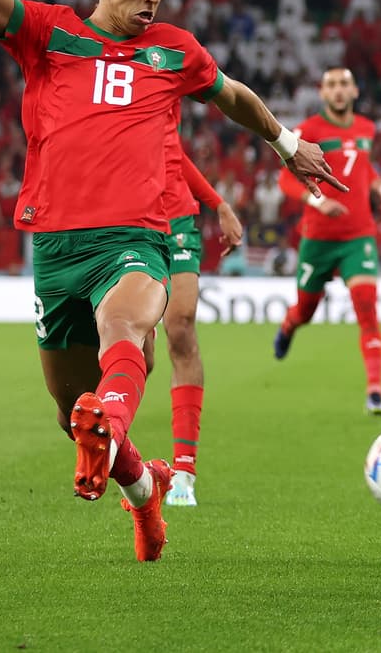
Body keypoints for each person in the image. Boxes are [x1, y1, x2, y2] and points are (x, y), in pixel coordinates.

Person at [0, 0, 343, 561]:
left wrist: (286, 142)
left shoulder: (173, 51)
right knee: (73, 413)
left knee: (126, 325)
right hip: (55, 248)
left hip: (135, 237)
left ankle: (119, 432)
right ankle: (144, 490)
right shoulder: (48, 34)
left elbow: (233, 96)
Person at [273, 67, 381, 415]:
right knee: (306, 310)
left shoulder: (366, 128)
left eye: (344, 83)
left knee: (366, 305)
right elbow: (286, 180)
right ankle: (289, 324)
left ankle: (375, 390)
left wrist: (380, 186)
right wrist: (316, 200)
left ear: (355, 90)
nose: (339, 90)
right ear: (322, 92)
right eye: (331, 85)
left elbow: (363, 167)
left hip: (359, 235)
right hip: (318, 238)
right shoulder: (308, 131)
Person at [160, 125, 243, 508]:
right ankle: (125, 464)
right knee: (135, 349)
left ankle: (183, 472)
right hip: (122, 217)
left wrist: (218, 204)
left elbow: (171, 152)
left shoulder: (162, 69)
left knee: (180, 327)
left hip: (174, 217)